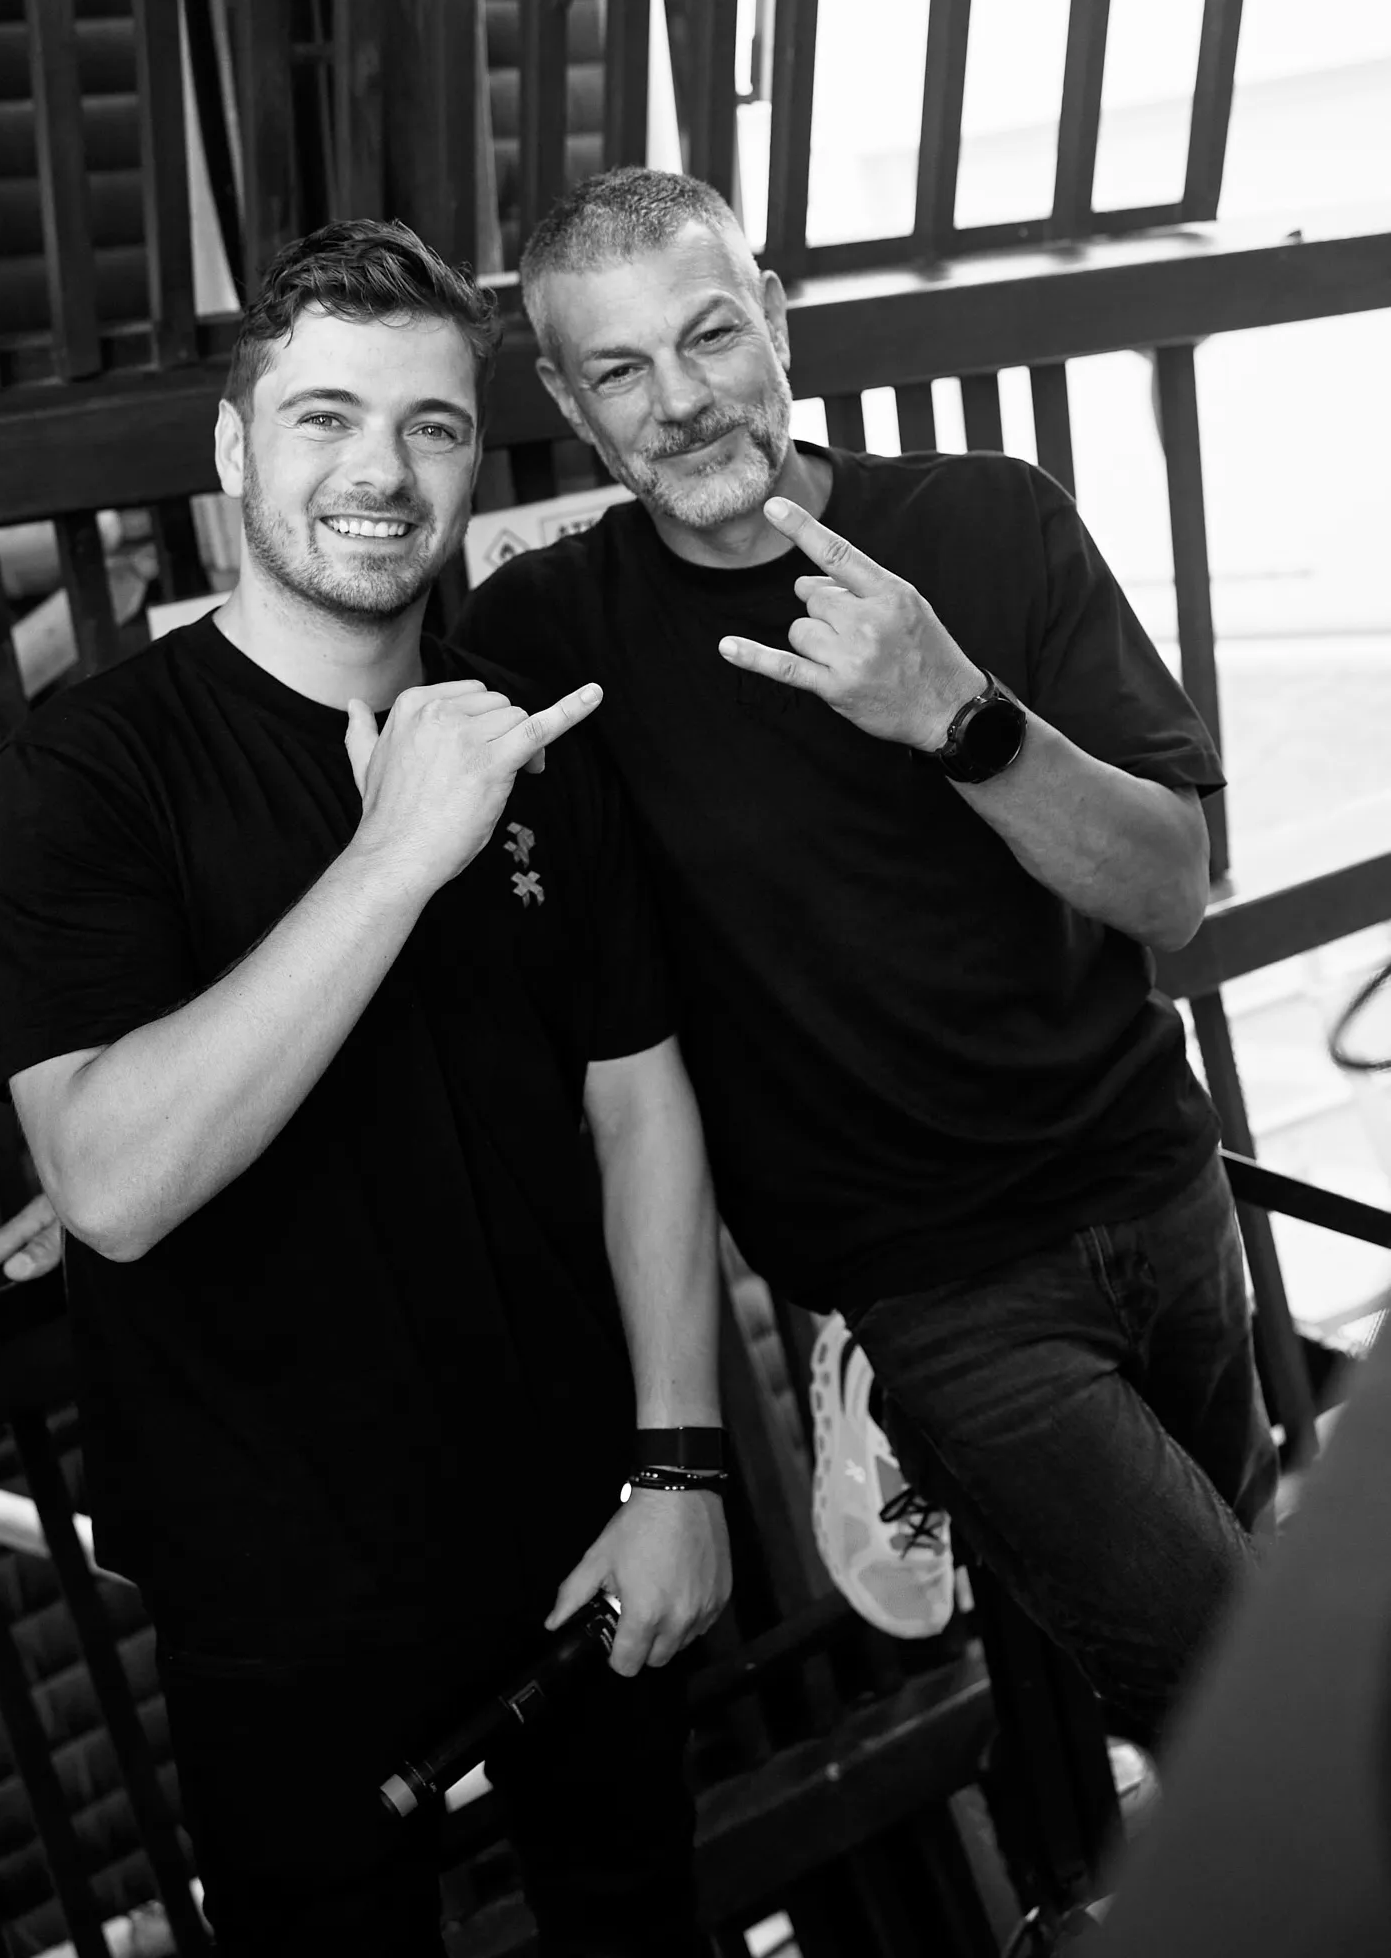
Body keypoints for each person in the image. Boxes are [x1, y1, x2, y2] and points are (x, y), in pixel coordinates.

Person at [0, 219, 730, 1957]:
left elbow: (640, 1108)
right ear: (236, 450)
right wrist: (394, 857)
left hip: (580, 1536)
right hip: (284, 1594)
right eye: (322, 418)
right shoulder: (92, 770)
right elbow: (108, 1181)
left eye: (430, 426)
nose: (379, 471)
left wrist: (678, 1474)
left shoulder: (537, 732)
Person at [453, 166, 1276, 1753]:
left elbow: (1168, 891)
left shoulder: (986, 518)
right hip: (937, 1288)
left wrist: (956, 718)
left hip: (1162, 1194)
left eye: (708, 336)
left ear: (773, 322)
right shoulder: (548, 634)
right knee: (1237, 1704)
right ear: (565, 399)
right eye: (619, 369)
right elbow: (395, 869)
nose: (681, 401)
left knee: (1197, 1620)